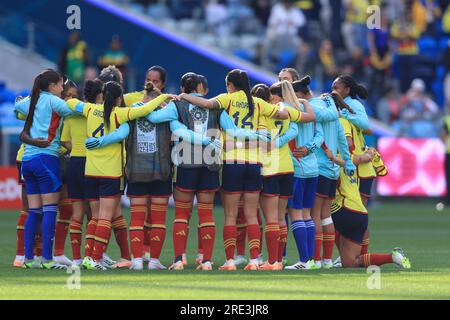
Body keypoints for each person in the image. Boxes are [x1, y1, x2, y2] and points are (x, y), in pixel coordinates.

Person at [176, 69, 310, 270]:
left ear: (230, 84)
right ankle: (255, 260)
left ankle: (230, 261)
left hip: (233, 162)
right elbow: (283, 114)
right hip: (255, 164)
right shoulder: (257, 103)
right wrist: (286, 110)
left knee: (230, 215)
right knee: (251, 215)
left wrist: (183, 96)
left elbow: (205, 103)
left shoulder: (227, 99)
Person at [148, 72, 266, 270]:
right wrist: (257, 134)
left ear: (183, 89)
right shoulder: (217, 107)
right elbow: (234, 131)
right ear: (199, 88)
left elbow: (152, 117)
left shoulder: (177, 104)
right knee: (207, 215)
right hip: (210, 164)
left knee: (181, 215)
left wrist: (162, 102)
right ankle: (207, 261)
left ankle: (178, 260)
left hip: (186, 164)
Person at [65, 81, 175, 270]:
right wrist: (165, 96)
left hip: (90, 171)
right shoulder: (120, 113)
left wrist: (70, 99)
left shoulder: (90, 110)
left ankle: (88, 256)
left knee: (94, 217)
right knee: (106, 217)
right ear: (118, 98)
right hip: (110, 172)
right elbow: (146, 109)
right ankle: (96, 259)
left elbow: (70, 104)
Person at [14, 69, 77, 269]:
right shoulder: (53, 101)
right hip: (46, 159)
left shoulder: (31, 100)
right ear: (52, 86)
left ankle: (28, 259)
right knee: (50, 210)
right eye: (60, 85)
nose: (62, 89)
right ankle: (48, 260)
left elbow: (18, 106)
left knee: (33, 211)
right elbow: (74, 109)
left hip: (28, 160)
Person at [284, 75, 343, 270]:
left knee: (305, 214)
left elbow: (294, 132)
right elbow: (323, 135)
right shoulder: (320, 106)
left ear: (298, 93)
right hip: (321, 168)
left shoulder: (306, 107)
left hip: (310, 167)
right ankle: (323, 260)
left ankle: (311, 260)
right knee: (321, 215)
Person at [328, 154, 411, 270]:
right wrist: (368, 154)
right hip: (360, 212)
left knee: (319, 218)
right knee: (350, 262)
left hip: (344, 210)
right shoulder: (348, 160)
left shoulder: (332, 160)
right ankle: (392, 257)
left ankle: (316, 260)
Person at [60, 79, 99, 266]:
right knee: (95, 212)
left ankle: (76, 259)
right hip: (90, 162)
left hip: (73, 162)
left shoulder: (70, 116)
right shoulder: (94, 112)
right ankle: (91, 257)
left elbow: (64, 142)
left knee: (77, 213)